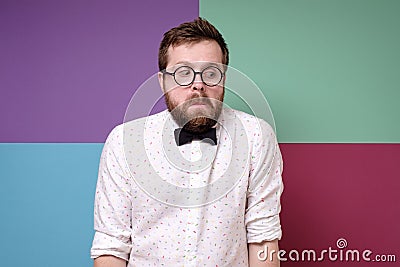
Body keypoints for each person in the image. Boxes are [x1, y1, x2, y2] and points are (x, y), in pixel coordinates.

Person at [91, 17, 284, 267]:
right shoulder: (124, 142)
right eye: (183, 73)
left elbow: (263, 237)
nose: (198, 85)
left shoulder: (257, 135)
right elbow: (111, 246)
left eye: (211, 73)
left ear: (223, 79)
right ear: (162, 82)